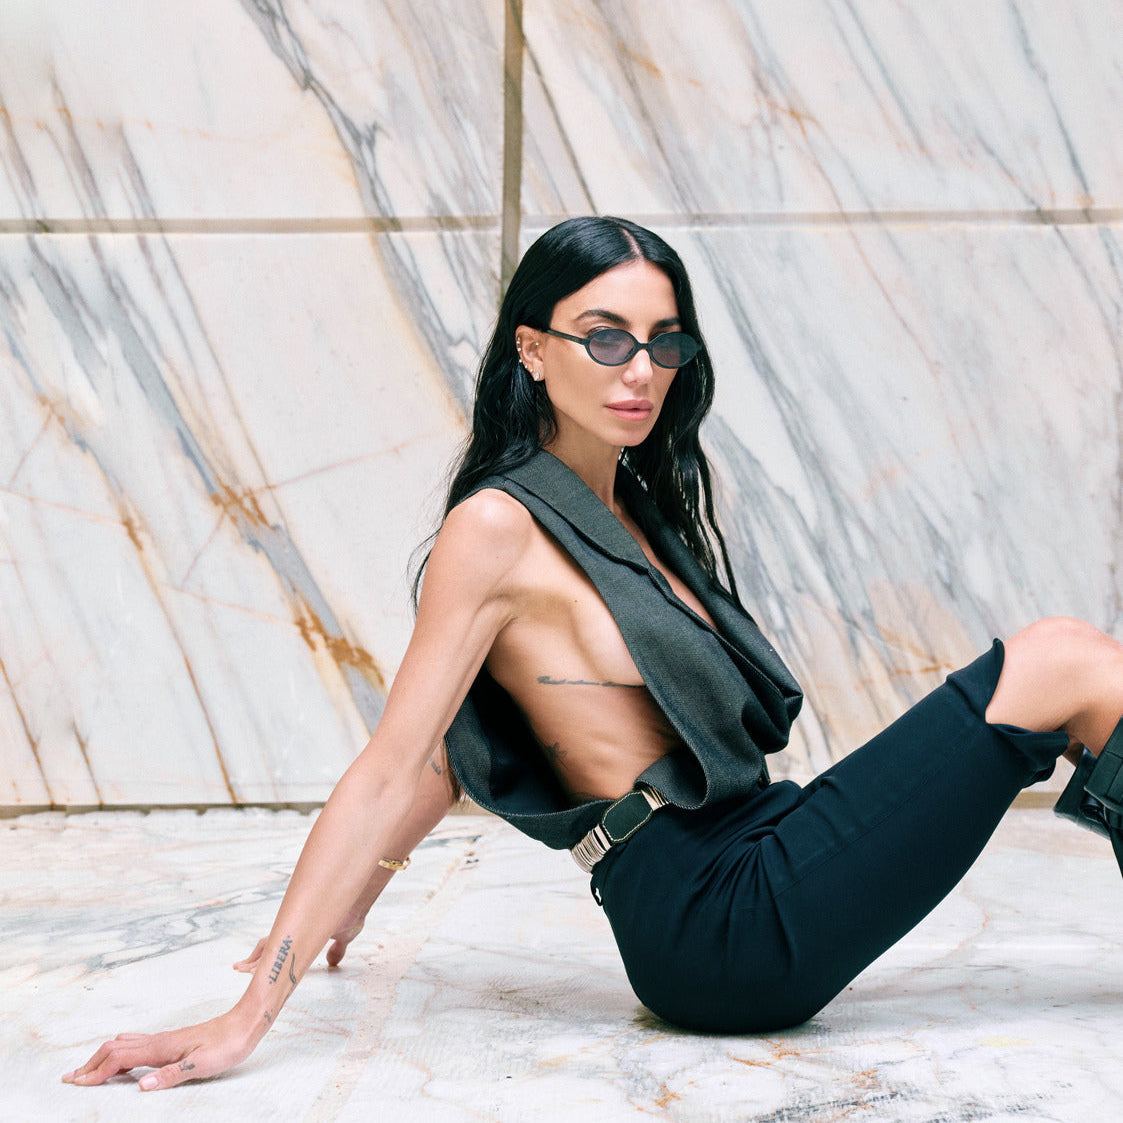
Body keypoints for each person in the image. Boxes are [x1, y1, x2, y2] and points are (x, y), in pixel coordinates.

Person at [64, 216, 1123, 1092]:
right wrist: (251, 1011)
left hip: (757, 843)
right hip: (710, 918)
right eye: (604, 339)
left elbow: (459, 752)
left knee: (1071, 663)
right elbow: (396, 759)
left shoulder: (633, 508)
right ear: (532, 349)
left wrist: (364, 893)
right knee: (1061, 660)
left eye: (662, 343)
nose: (641, 371)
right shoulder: (497, 525)